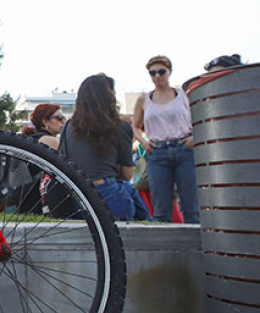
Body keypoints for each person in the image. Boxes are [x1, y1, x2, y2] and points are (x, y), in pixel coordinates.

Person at [60, 74, 149, 222]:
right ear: (109, 97)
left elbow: (63, 161)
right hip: (108, 194)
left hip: (76, 197)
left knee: (129, 191)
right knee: (128, 190)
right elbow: (128, 174)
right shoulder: (120, 126)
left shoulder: (68, 127)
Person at [132, 55, 198, 224]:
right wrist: (143, 141)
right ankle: (165, 245)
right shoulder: (144, 99)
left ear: (169, 72)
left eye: (161, 72)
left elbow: (199, 119)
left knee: (191, 205)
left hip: (184, 149)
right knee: (161, 206)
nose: (157, 76)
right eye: (152, 73)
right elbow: (135, 126)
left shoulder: (183, 95)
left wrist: (193, 137)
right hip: (157, 151)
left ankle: (195, 245)